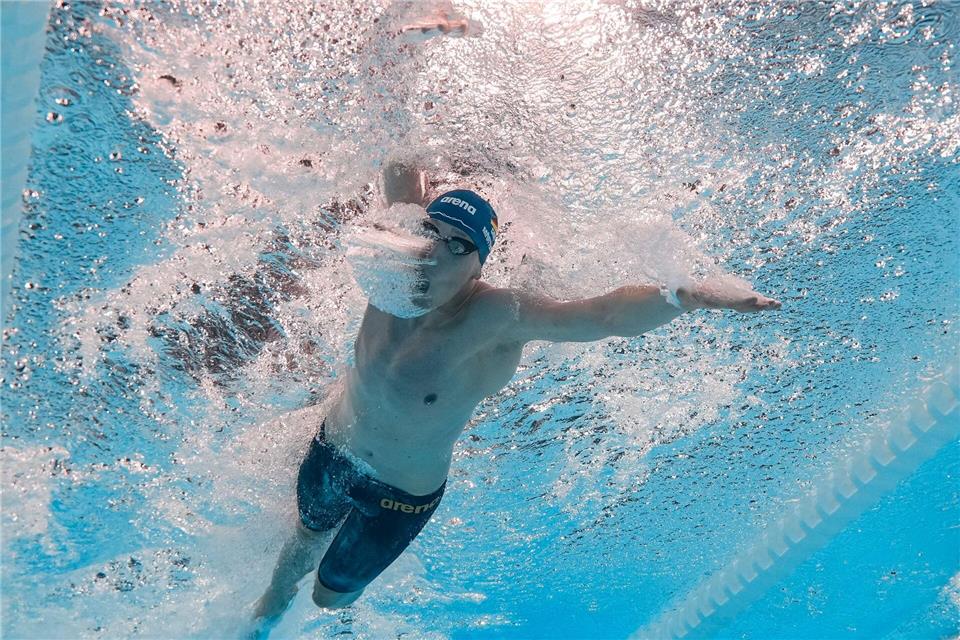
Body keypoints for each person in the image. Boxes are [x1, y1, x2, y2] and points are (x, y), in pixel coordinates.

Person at [248, 159, 782, 631]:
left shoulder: (498, 316)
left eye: (458, 246)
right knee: (299, 545)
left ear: (480, 263)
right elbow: (400, 162)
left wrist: (688, 296)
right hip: (332, 448)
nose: (435, 252)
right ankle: (268, 611)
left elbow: (603, 315)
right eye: (431, 232)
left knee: (328, 599)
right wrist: (398, 50)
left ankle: (319, 599)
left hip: (397, 495)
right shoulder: (394, 259)